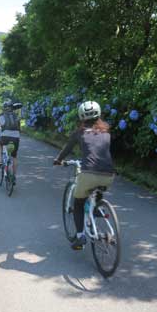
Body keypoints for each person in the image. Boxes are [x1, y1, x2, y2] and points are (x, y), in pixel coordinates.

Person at [53, 101, 115, 250]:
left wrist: (58, 160)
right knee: (97, 191)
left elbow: (67, 149)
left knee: (78, 203)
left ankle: (80, 236)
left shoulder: (79, 133)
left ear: (81, 116)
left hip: (88, 173)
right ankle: (96, 209)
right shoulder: (106, 133)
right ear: (99, 114)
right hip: (109, 175)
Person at [0, 100, 22, 183]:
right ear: (12, 108)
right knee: (14, 157)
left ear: (3, 108)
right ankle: (14, 176)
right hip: (16, 137)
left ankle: (0, 160)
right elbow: (19, 128)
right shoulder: (16, 116)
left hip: (4, 136)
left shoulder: (0, 116)